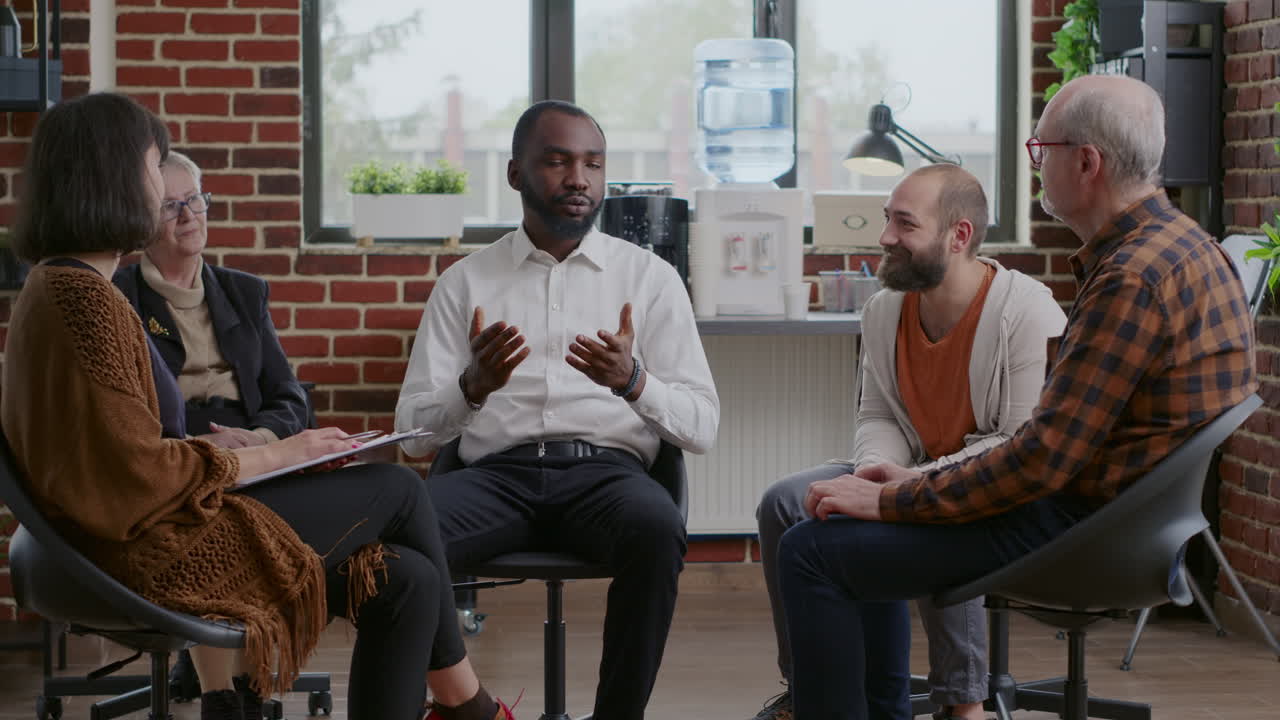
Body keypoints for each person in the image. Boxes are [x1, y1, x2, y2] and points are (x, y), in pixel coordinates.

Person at [2, 91, 514, 720]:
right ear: (111, 177)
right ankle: (470, 706)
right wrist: (279, 452)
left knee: (405, 578)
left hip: (122, 538)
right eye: (152, 166)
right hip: (146, 553)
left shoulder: (56, 286)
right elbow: (133, 480)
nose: (162, 185)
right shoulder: (89, 302)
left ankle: (461, 703)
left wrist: (218, 448)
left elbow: (117, 452)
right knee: (400, 492)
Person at [776, 74, 1257, 720]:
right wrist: (897, 493)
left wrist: (897, 498)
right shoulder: (1188, 250)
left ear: (1086, 163)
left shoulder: (1133, 278)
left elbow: (1039, 461)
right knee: (833, 524)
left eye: (1043, 150)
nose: (1037, 165)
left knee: (811, 553)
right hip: (1122, 520)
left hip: (1081, 529)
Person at [395, 99, 720, 720]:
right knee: (399, 542)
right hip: (496, 476)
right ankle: (466, 706)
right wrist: (472, 387)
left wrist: (634, 383)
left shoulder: (650, 279)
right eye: (558, 161)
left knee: (657, 530)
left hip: (608, 477)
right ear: (516, 173)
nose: (579, 178)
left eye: (593, 164)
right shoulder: (465, 282)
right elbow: (412, 437)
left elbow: (702, 426)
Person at [751, 164, 1066, 720]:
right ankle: (813, 687)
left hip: (988, 487)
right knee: (784, 502)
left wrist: (902, 490)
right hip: (907, 469)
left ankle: (961, 700)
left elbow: (1017, 443)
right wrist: (873, 475)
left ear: (958, 236)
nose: (885, 237)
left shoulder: (1027, 310)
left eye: (904, 223)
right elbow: (878, 415)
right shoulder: (883, 310)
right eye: (885, 219)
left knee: (898, 512)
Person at [113, 150, 308, 449]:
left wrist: (260, 439)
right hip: (175, 453)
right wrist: (198, 446)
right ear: (142, 221)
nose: (187, 215)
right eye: (169, 206)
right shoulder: (118, 296)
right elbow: (119, 417)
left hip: (253, 445)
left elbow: (288, 395)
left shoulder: (246, 291)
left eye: (193, 199)